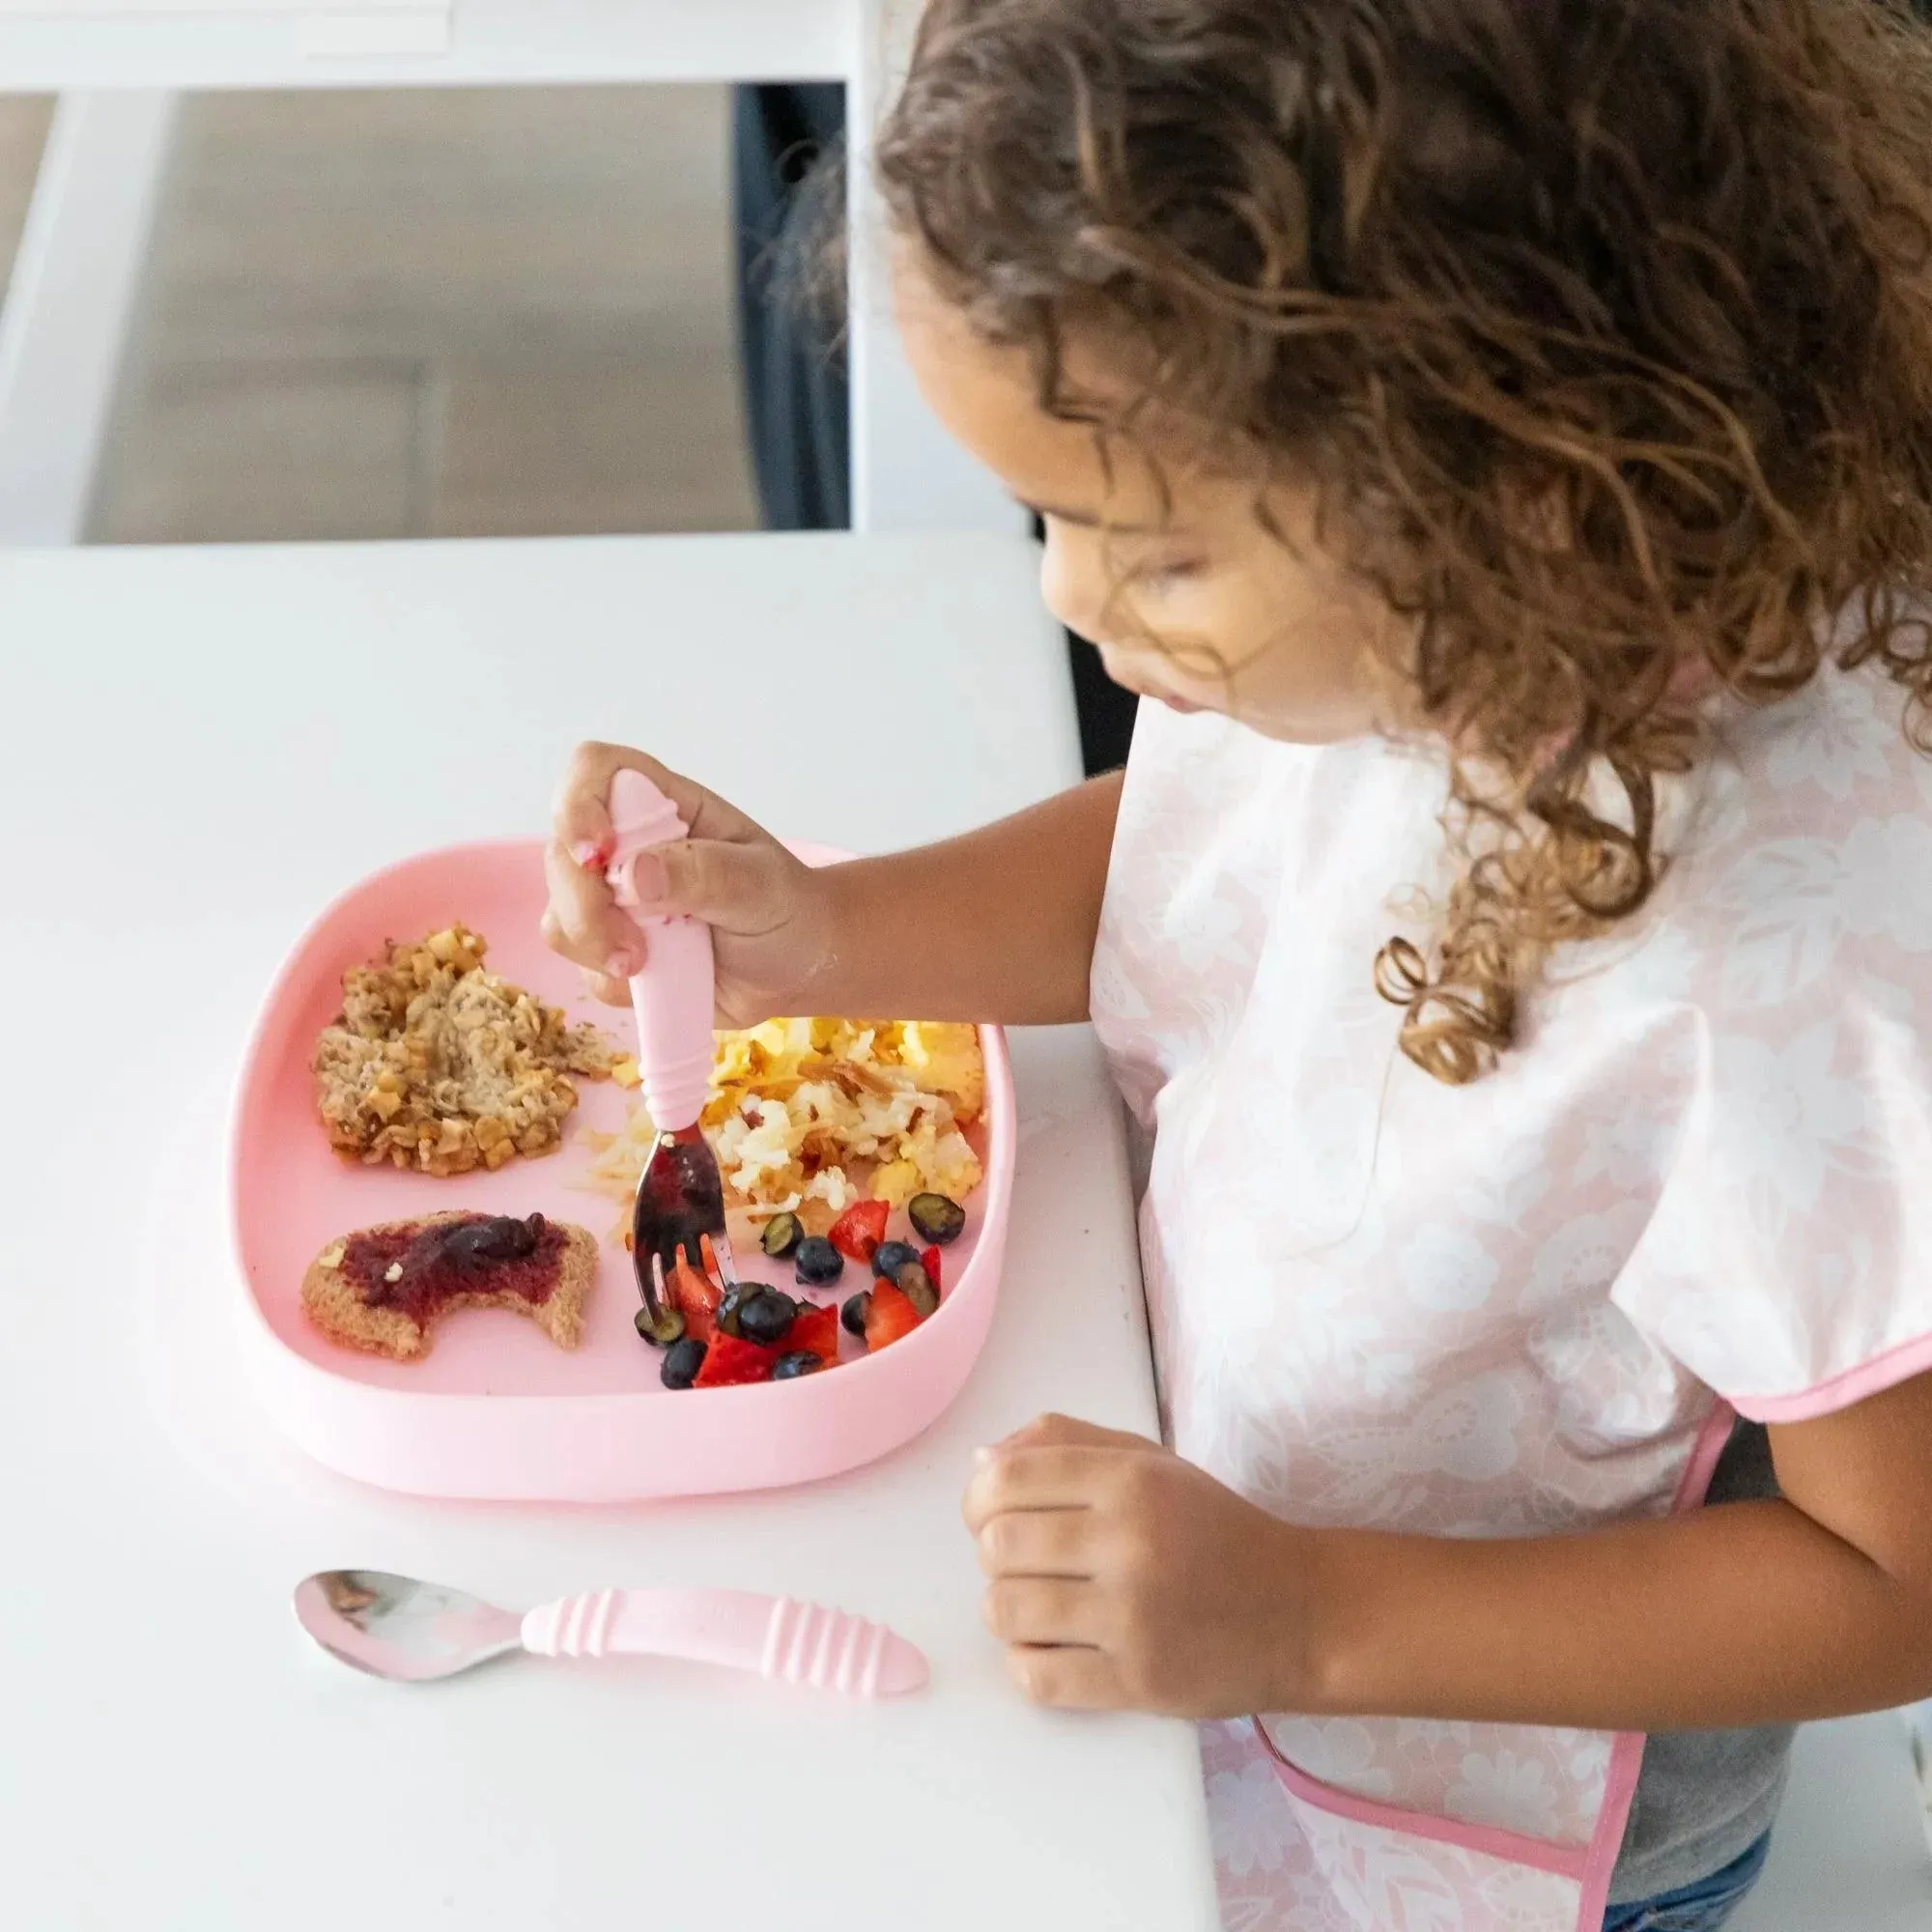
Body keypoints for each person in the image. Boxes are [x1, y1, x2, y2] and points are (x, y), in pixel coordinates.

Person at [557, 4, 1932, 1926]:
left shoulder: (1802, 972)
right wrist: (837, 931)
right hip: (1203, 1592)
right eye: (1056, 518)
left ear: (1503, 469)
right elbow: (1217, 860)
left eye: (1150, 549)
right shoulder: (1435, 594)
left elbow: (1891, 1586)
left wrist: (1299, 1610)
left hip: (1475, 1796)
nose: (1064, 594)